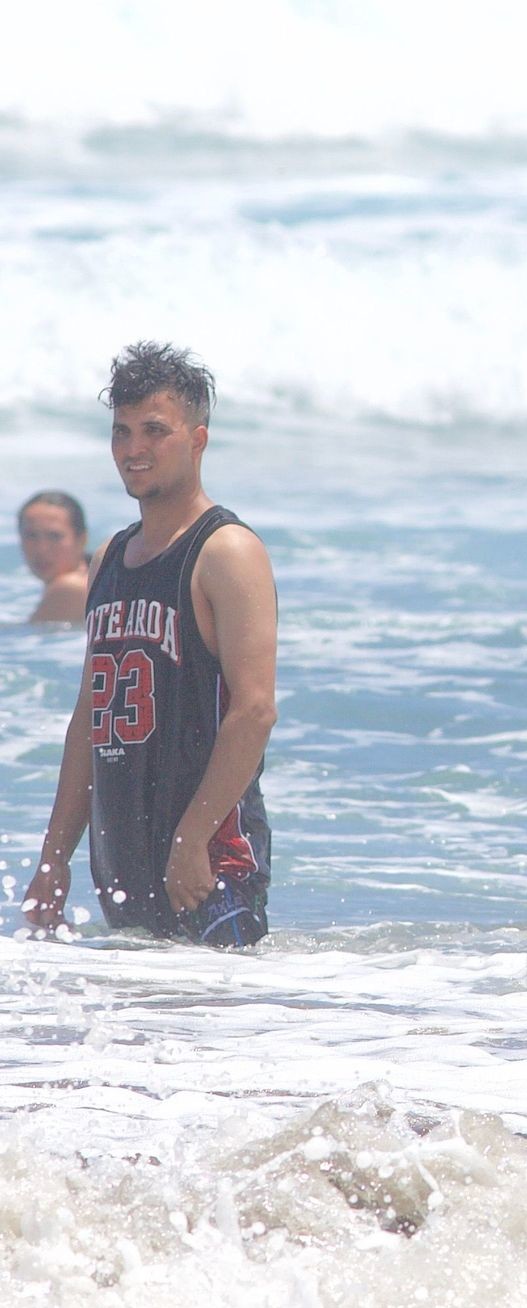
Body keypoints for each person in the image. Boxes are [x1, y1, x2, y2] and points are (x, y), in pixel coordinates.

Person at [22, 343, 276, 947]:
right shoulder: (110, 557)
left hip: (208, 863)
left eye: (155, 431)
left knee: (221, 1009)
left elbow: (254, 711)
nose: (133, 448)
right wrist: (54, 860)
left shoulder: (225, 551)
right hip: (124, 860)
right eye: (122, 431)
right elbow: (91, 717)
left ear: (197, 439)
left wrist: (192, 837)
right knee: (144, 1012)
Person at [17, 490, 89, 624]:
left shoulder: (70, 588)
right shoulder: (93, 580)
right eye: (31, 535)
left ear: (81, 539)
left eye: (54, 536)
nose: (41, 549)